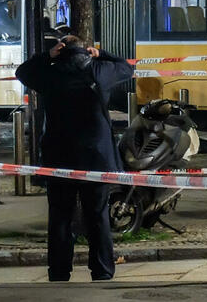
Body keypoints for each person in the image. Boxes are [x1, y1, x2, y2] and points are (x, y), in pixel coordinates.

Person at [16, 33, 134, 282]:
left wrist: (47, 56)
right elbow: (126, 67)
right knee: (98, 215)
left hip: (59, 157)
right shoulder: (100, 71)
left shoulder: (50, 74)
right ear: (86, 50)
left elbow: (23, 72)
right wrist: (102, 54)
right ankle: (102, 270)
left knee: (60, 216)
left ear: (61, 49)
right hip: (96, 157)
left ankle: (59, 272)